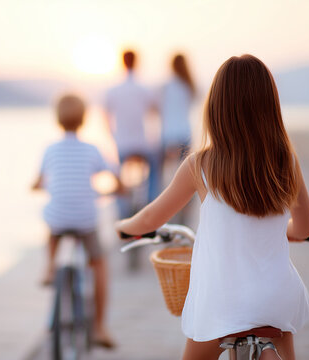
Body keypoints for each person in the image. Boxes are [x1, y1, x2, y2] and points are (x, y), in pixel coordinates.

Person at [116, 55, 309, 360]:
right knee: (283, 338)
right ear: (270, 106)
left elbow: (152, 217)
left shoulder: (200, 164)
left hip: (223, 302)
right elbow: (304, 228)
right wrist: (286, 231)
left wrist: (125, 227)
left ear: (216, 107)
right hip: (277, 298)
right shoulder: (286, 161)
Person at [32, 94, 118, 348]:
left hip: (58, 217)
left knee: (53, 225)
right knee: (100, 263)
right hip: (85, 219)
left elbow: (40, 180)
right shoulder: (91, 149)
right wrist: (120, 187)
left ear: (57, 119)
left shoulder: (50, 149)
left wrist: (36, 185)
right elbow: (113, 173)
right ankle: (100, 327)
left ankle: (49, 266)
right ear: (83, 119)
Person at [104, 50, 158, 216]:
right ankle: (151, 203)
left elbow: (105, 115)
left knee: (118, 175)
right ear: (136, 63)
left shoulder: (114, 90)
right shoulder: (143, 89)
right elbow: (155, 111)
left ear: (122, 63)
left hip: (122, 144)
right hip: (141, 143)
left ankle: (123, 210)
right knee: (154, 168)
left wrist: (113, 135)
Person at [158, 53, 197, 162]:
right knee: (184, 167)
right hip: (184, 132)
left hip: (168, 133)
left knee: (162, 169)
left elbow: (157, 107)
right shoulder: (189, 85)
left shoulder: (166, 86)